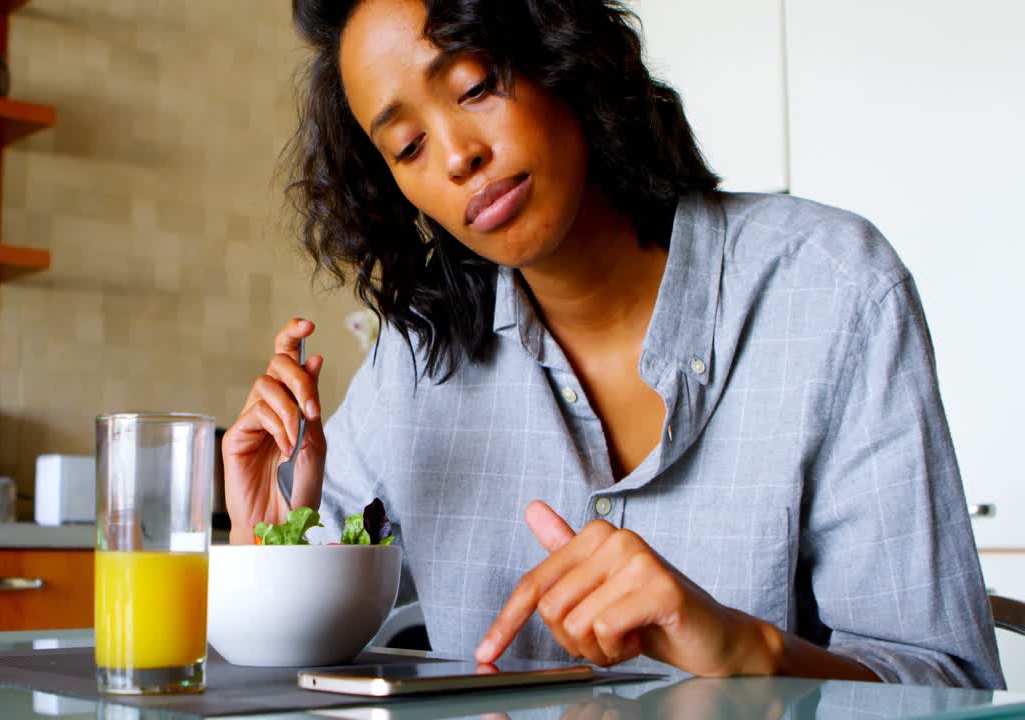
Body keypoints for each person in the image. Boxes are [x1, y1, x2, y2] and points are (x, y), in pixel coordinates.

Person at [222, 0, 1004, 688]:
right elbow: (301, 671)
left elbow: (948, 682)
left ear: (562, 54)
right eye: (408, 149)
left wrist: (743, 649)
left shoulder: (832, 289)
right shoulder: (420, 356)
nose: (458, 155)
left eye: (475, 86)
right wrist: (268, 541)